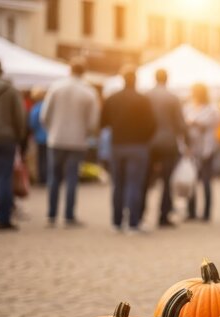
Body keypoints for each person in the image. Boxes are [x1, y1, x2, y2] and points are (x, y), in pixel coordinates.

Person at [41, 57, 99, 227]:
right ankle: (69, 216)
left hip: (56, 139)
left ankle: (51, 215)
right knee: (72, 178)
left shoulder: (56, 87)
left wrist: (52, 131)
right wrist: (85, 133)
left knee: (54, 177)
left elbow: (44, 116)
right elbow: (93, 122)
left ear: (69, 69)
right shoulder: (89, 91)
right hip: (77, 140)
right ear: (84, 72)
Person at [100, 65, 157, 233]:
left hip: (117, 145)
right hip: (138, 146)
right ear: (136, 80)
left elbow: (103, 123)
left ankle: (116, 222)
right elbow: (152, 124)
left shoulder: (112, 98)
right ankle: (133, 223)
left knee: (118, 184)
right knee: (134, 185)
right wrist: (143, 138)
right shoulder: (143, 100)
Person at [144, 69, 187, 227]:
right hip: (169, 143)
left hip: (149, 142)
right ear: (167, 79)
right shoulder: (173, 98)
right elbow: (180, 124)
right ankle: (164, 216)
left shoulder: (146, 96)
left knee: (145, 180)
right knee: (167, 181)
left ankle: (141, 213)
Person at [0, 59, 25, 231]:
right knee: (4, 177)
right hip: (6, 138)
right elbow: (20, 117)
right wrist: (20, 137)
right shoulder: (11, 91)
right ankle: (3, 218)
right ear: (1, 71)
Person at [184, 83, 220, 222]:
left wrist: (193, 122)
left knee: (206, 181)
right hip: (192, 149)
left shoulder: (211, 109)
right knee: (191, 180)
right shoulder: (188, 107)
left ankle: (206, 213)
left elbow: (208, 123)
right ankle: (191, 211)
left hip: (207, 149)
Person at [28, 86, 48, 185]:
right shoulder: (47, 106)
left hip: (39, 137)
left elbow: (32, 123)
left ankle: (42, 178)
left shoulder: (35, 108)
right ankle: (47, 177)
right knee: (47, 158)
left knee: (41, 159)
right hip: (49, 136)